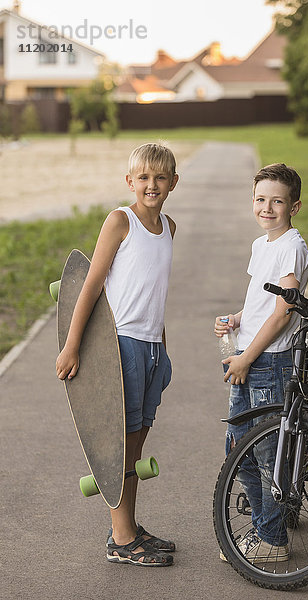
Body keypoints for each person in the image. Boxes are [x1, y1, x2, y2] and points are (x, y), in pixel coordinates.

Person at [56, 142, 179, 567]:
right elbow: (91, 286)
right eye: (143, 178)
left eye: (160, 178)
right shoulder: (119, 222)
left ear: (173, 184)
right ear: (130, 181)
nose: (151, 185)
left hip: (151, 350)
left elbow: (156, 294)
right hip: (121, 346)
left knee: (136, 442)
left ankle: (125, 527)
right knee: (119, 446)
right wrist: (72, 346)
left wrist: (163, 352)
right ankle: (122, 538)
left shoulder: (170, 228)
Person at [214, 163, 308, 563]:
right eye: (260, 199)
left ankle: (271, 540)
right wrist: (238, 318)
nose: (266, 208)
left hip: (267, 363)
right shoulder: (263, 244)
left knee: (261, 452)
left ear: (294, 206)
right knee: (241, 448)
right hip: (252, 357)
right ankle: (268, 523)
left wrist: (244, 358)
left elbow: (283, 313)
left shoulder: (291, 247)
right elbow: (263, 304)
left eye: (277, 201)